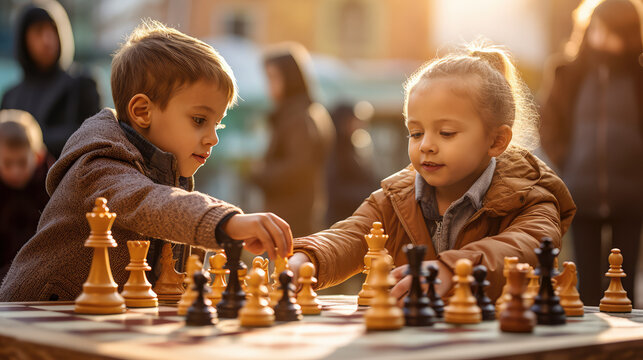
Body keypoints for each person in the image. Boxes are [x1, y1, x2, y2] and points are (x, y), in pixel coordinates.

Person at [0, 20, 292, 302]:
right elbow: (149, 203)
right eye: (200, 120)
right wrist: (228, 222)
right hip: (29, 318)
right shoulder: (97, 165)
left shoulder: (168, 172)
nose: (213, 138)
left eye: (219, 124)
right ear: (142, 111)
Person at [289, 42, 576, 302]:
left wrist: (452, 269)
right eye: (415, 133)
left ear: (496, 140)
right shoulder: (394, 198)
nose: (426, 145)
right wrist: (307, 258)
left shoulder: (533, 198)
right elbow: (351, 236)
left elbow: (526, 246)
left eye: (446, 133)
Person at [540, 0, 643, 305]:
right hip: (580, 190)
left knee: (624, 282)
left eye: (611, 31)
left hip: (632, 193)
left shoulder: (639, 77)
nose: (602, 37)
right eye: (597, 28)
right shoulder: (566, 73)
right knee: (583, 283)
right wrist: (567, 161)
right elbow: (550, 124)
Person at [251, 44, 335, 237]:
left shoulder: (299, 117)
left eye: (273, 77)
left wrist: (259, 173)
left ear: (290, 77)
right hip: (294, 211)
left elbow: (298, 169)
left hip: (290, 215)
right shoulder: (302, 112)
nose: (269, 85)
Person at [0, 0, 100, 158]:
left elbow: (95, 137)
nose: (47, 40)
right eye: (38, 32)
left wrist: (34, 142)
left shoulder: (81, 85)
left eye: (52, 30)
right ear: (23, 39)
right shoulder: (11, 98)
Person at [0, 109, 55, 281]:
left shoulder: (52, 185)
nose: (15, 171)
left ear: (38, 157)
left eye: (22, 162)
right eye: (8, 163)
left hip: (40, 275)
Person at [326, 102, 378, 225]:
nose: (359, 125)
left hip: (353, 216)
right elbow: (335, 190)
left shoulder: (351, 147)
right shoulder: (333, 152)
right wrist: (369, 193)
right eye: (354, 120)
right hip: (340, 220)